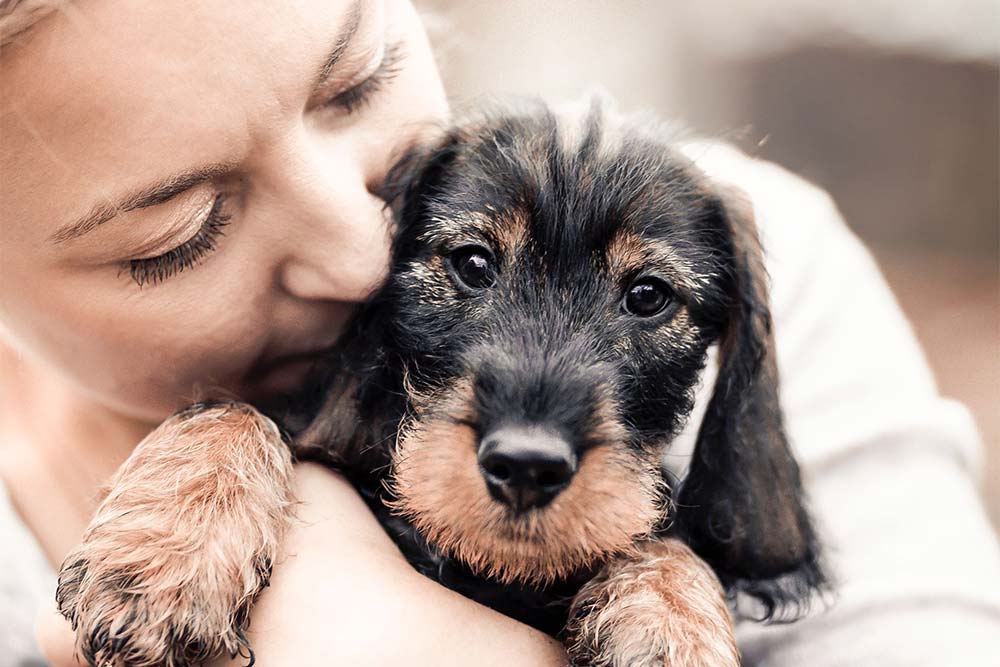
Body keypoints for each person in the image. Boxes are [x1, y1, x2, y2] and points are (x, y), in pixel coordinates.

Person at [0, 2, 997, 666]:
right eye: (181, 233)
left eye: (357, 79)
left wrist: (392, 629)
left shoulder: (767, 250)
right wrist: (226, 443)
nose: (364, 251)